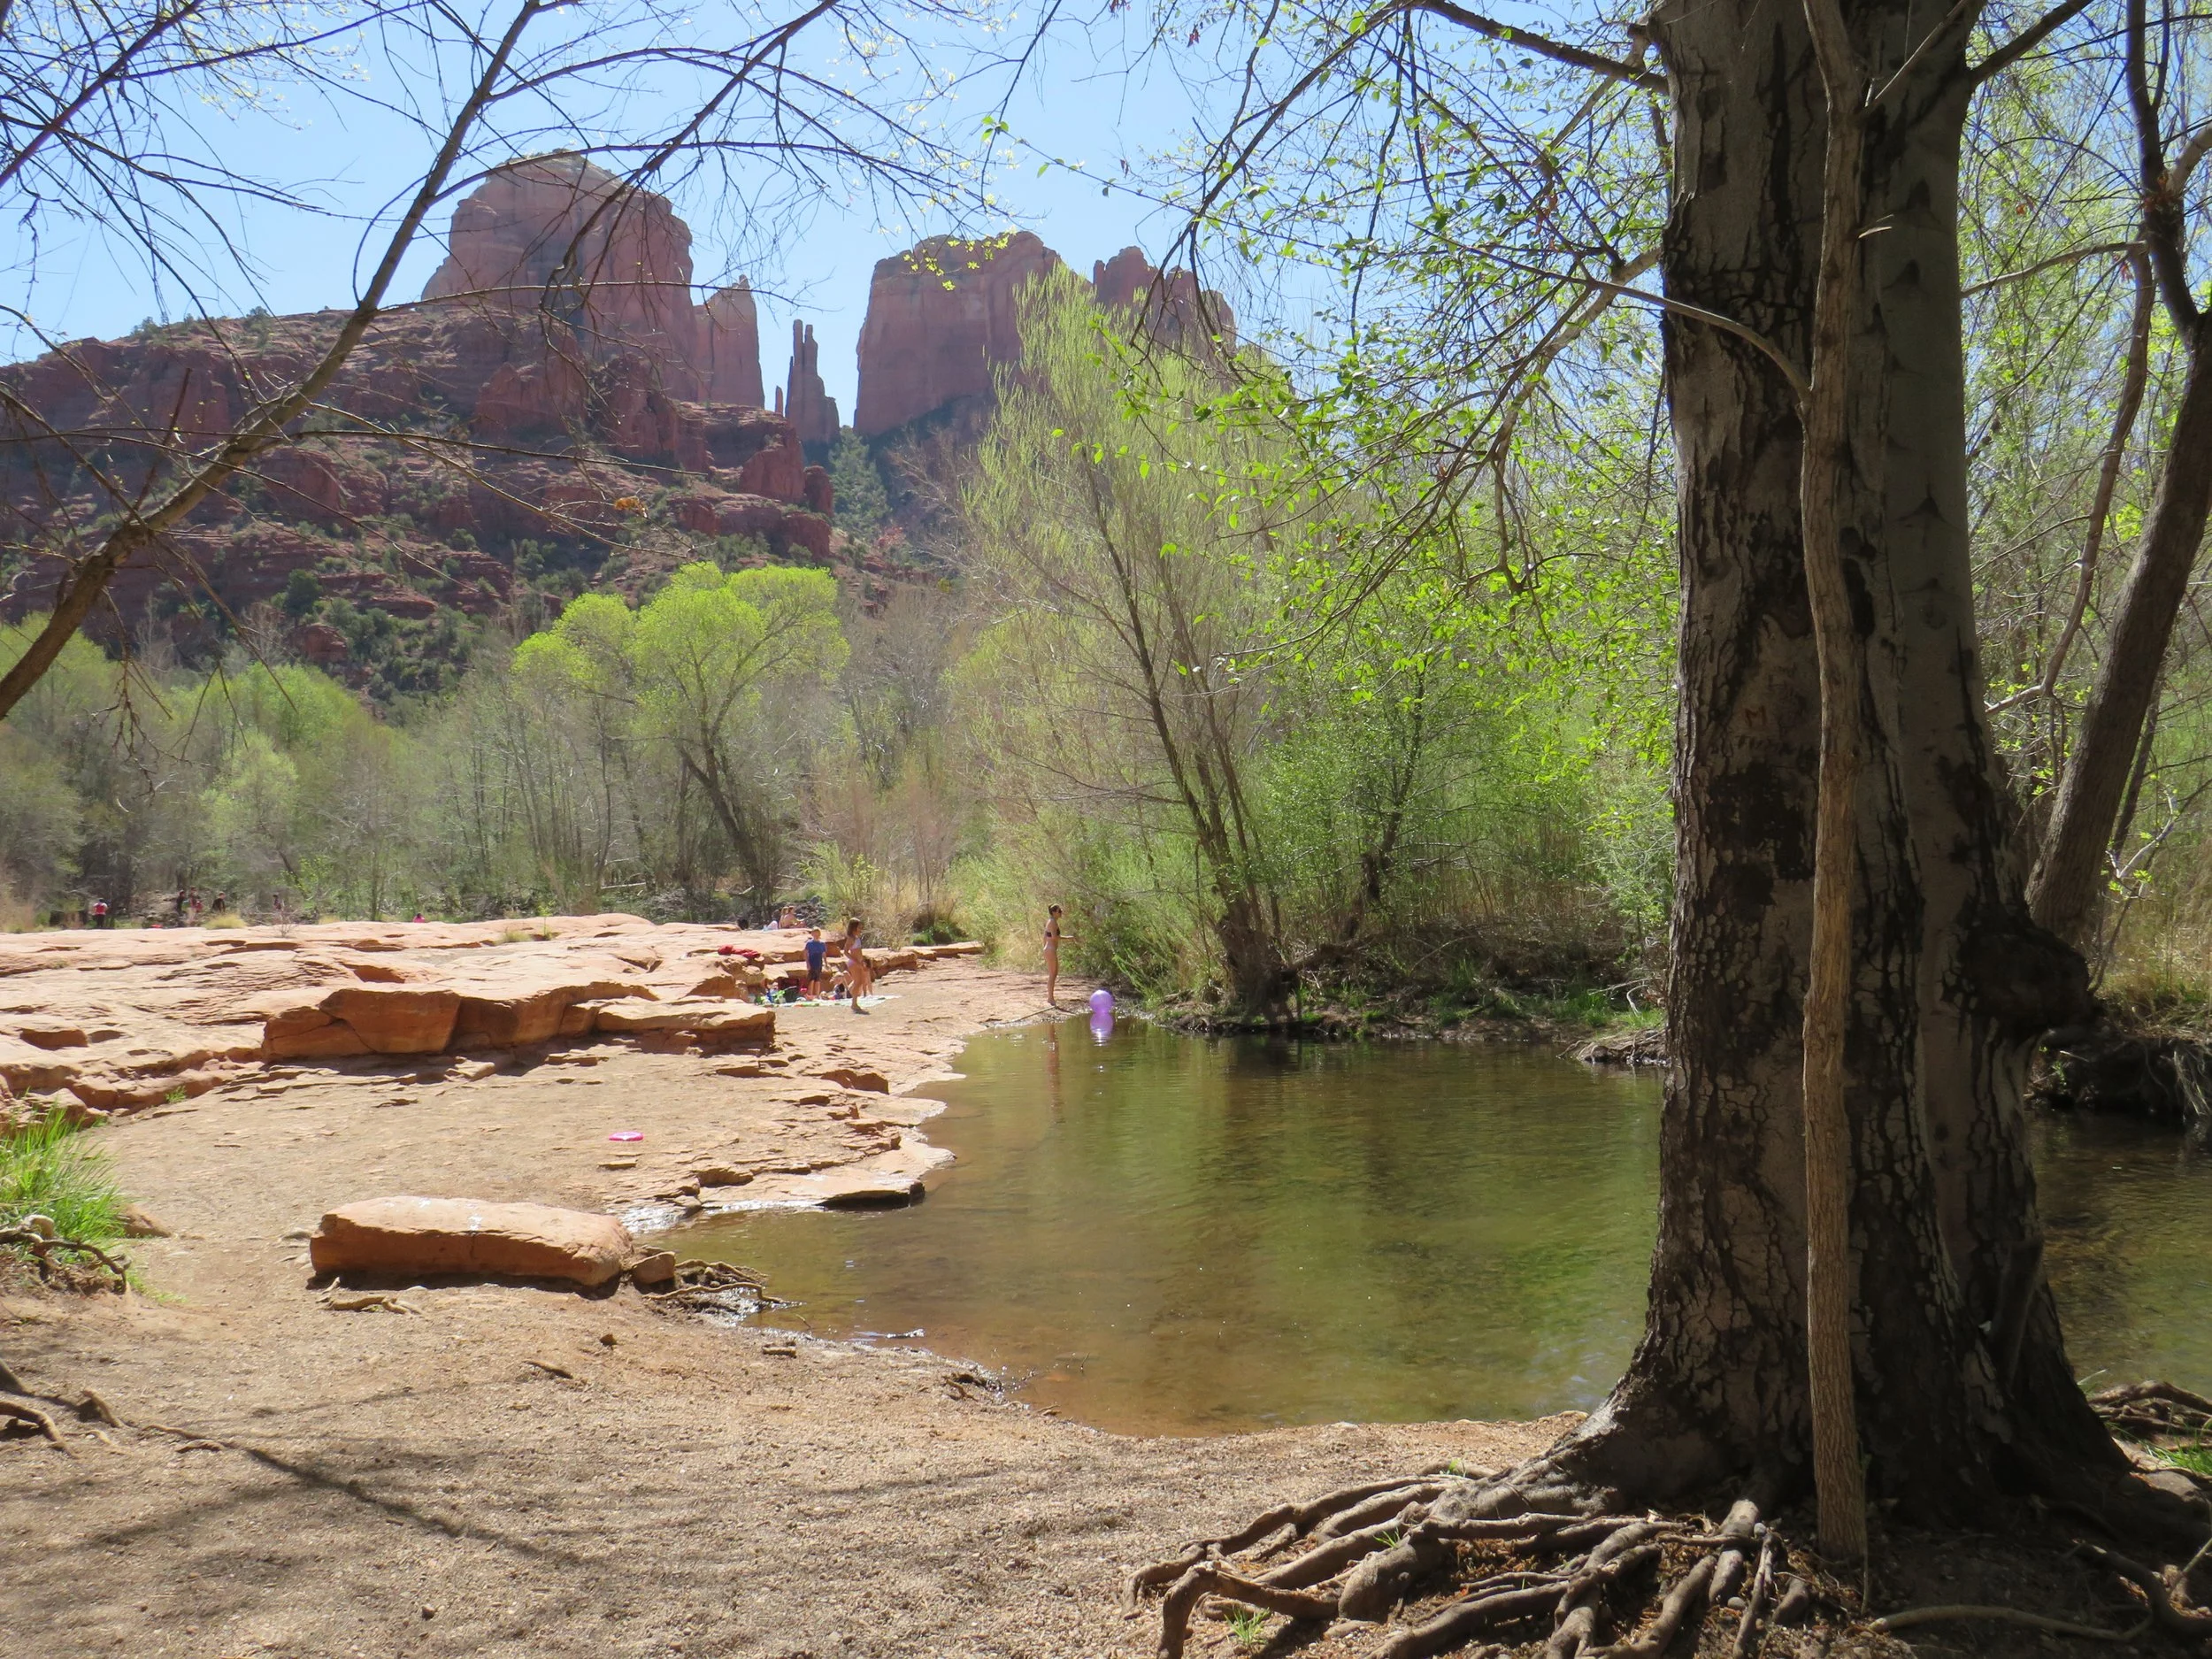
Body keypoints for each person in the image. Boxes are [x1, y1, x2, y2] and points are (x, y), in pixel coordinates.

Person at [1044, 903, 1073, 1007]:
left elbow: (1045, 936)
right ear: (1054, 912)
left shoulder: (1052, 921)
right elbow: (1054, 937)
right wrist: (1068, 938)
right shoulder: (1052, 922)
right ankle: (1050, 998)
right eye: (1059, 911)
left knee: (1055, 973)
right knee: (1052, 974)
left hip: (1050, 950)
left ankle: (1051, 997)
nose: (1061, 913)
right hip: (1050, 950)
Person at [843, 918, 873, 1014]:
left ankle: (855, 1002)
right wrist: (856, 961)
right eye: (859, 926)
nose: (861, 928)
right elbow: (846, 952)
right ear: (854, 927)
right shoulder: (851, 938)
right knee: (858, 982)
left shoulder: (857, 938)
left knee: (860, 982)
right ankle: (853, 1003)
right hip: (854, 963)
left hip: (859, 962)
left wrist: (862, 961)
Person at [803, 926, 827, 996]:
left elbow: (824, 953)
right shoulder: (809, 943)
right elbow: (806, 953)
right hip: (812, 962)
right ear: (812, 934)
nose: (816, 935)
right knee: (811, 979)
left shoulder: (822, 944)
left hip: (819, 962)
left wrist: (826, 963)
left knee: (818, 979)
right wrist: (807, 963)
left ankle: (817, 995)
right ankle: (810, 994)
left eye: (818, 933)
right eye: (815, 933)